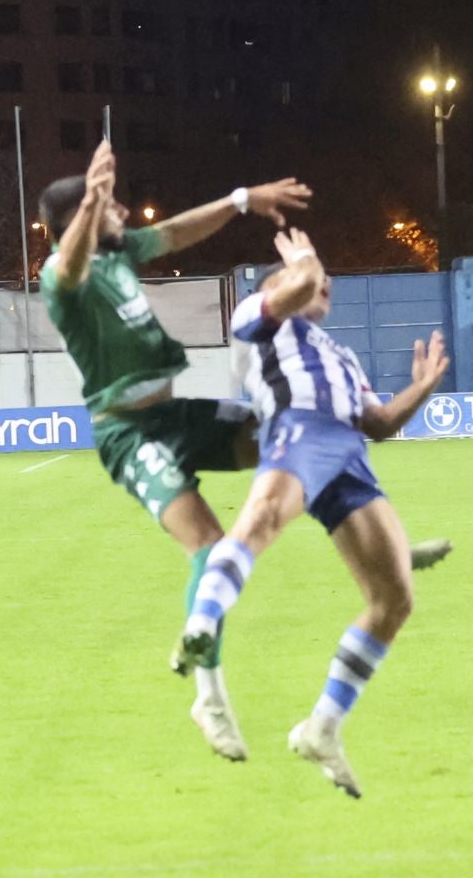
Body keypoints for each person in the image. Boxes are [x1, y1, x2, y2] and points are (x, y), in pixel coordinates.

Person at [39, 144, 447, 762]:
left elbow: (175, 233)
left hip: (178, 416)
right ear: (82, 218)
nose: (123, 208)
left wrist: (240, 200)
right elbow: (68, 268)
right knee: (208, 546)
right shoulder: (60, 277)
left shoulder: (121, 253)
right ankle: (208, 697)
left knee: (286, 434)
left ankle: (377, 540)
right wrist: (94, 199)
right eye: (109, 203)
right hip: (132, 435)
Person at [178, 229, 449, 798]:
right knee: (260, 523)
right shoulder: (258, 316)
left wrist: (421, 388)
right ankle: (201, 626)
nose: (323, 283)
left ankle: (322, 728)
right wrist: (302, 260)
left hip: (347, 454)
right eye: (312, 278)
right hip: (296, 430)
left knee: (394, 597)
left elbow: (376, 423)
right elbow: (297, 281)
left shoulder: (340, 354)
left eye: (326, 279)